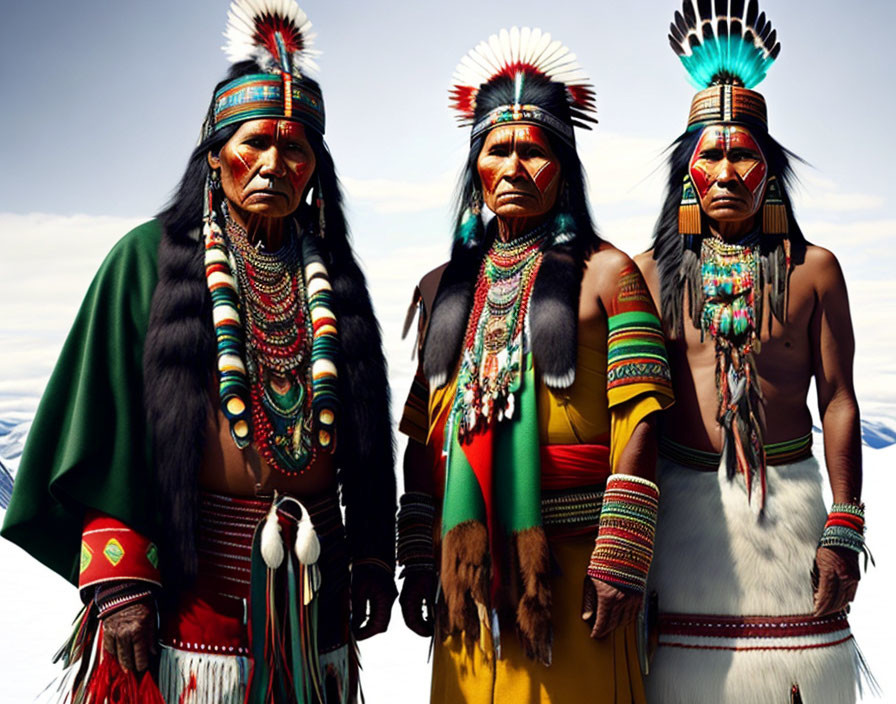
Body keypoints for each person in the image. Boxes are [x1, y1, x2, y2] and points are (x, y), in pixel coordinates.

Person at [1, 1, 396, 701]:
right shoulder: (146, 261)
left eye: (297, 147)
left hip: (315, 588)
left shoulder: (336, 277)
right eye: (255, 142)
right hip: (192, 594)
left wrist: (370, 552)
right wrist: (119, 575)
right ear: (215, 156)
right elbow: (103, 423)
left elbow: (362, 432)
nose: (276, 162)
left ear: (316, 168)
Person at [396, 27, 675, 704]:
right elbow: (423, 433)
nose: (514, 166)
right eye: (498, 150)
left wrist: (621, 553)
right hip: (469, 578)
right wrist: (418, 557)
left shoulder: (609, 274)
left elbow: (640, 417)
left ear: (565, 167)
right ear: (476, 168)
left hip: (576, 570)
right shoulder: (442, 286)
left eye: (534, 150)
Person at [634, 2, 871, 702]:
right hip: (680, 523)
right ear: (688, 173)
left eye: (745, 154)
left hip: (792, 510)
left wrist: (846, 524)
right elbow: (631, 411)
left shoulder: (814, 271)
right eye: (712, 154)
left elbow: (838, 399)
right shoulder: (647, 275)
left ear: (769, 171)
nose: (729, 171)